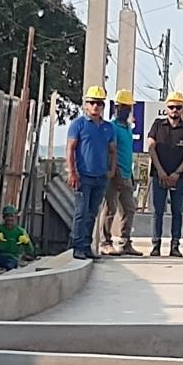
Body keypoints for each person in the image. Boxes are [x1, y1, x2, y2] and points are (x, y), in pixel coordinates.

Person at [65, 86, 117, 261]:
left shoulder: (108, 128)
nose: (96, 106)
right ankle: (77, 246)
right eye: (92, 103)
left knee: (93, 212)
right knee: (81, 212)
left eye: (99, 103)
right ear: (86, 105)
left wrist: (112, 170)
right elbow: (70, 149)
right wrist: (72, 172)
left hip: (100, 176)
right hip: (83, 176)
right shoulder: (78, 124)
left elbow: (112, 150)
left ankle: (86, 245)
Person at [146, 90, 183, 258]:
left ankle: (175, 245)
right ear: (166, 108)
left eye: (178, 107)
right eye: (172, 107)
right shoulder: (157, 125)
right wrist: (160, 171)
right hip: (158, 175)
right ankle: (156, 245)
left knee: (177, 211)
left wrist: (176, 174)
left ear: (182, 109)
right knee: (157, 211)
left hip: (178, 178)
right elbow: (151, 147)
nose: (174, 110)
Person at [98, 89, 143, 257]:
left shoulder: (128, 128)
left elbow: (126, 153)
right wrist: (116, 174)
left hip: (126, 174)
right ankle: (105, 242)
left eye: (127, 107)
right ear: (115, 108)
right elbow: (111, 153)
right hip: (114, 175)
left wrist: (128, 174)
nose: (124, 110)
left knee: (129, 208)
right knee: (110, 208)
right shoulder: (112, 127)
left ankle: (125, 242)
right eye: (121, 107)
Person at [0, 204, 35, 273]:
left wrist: (27, 242)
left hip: (12, 258)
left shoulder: (21, 231)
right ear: (4, 217)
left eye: (11, 216)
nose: (9, 219)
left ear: (15, 217)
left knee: (11, 263)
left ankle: (6, 270)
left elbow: (31, 251)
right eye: (7, 216)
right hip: (0, 256)